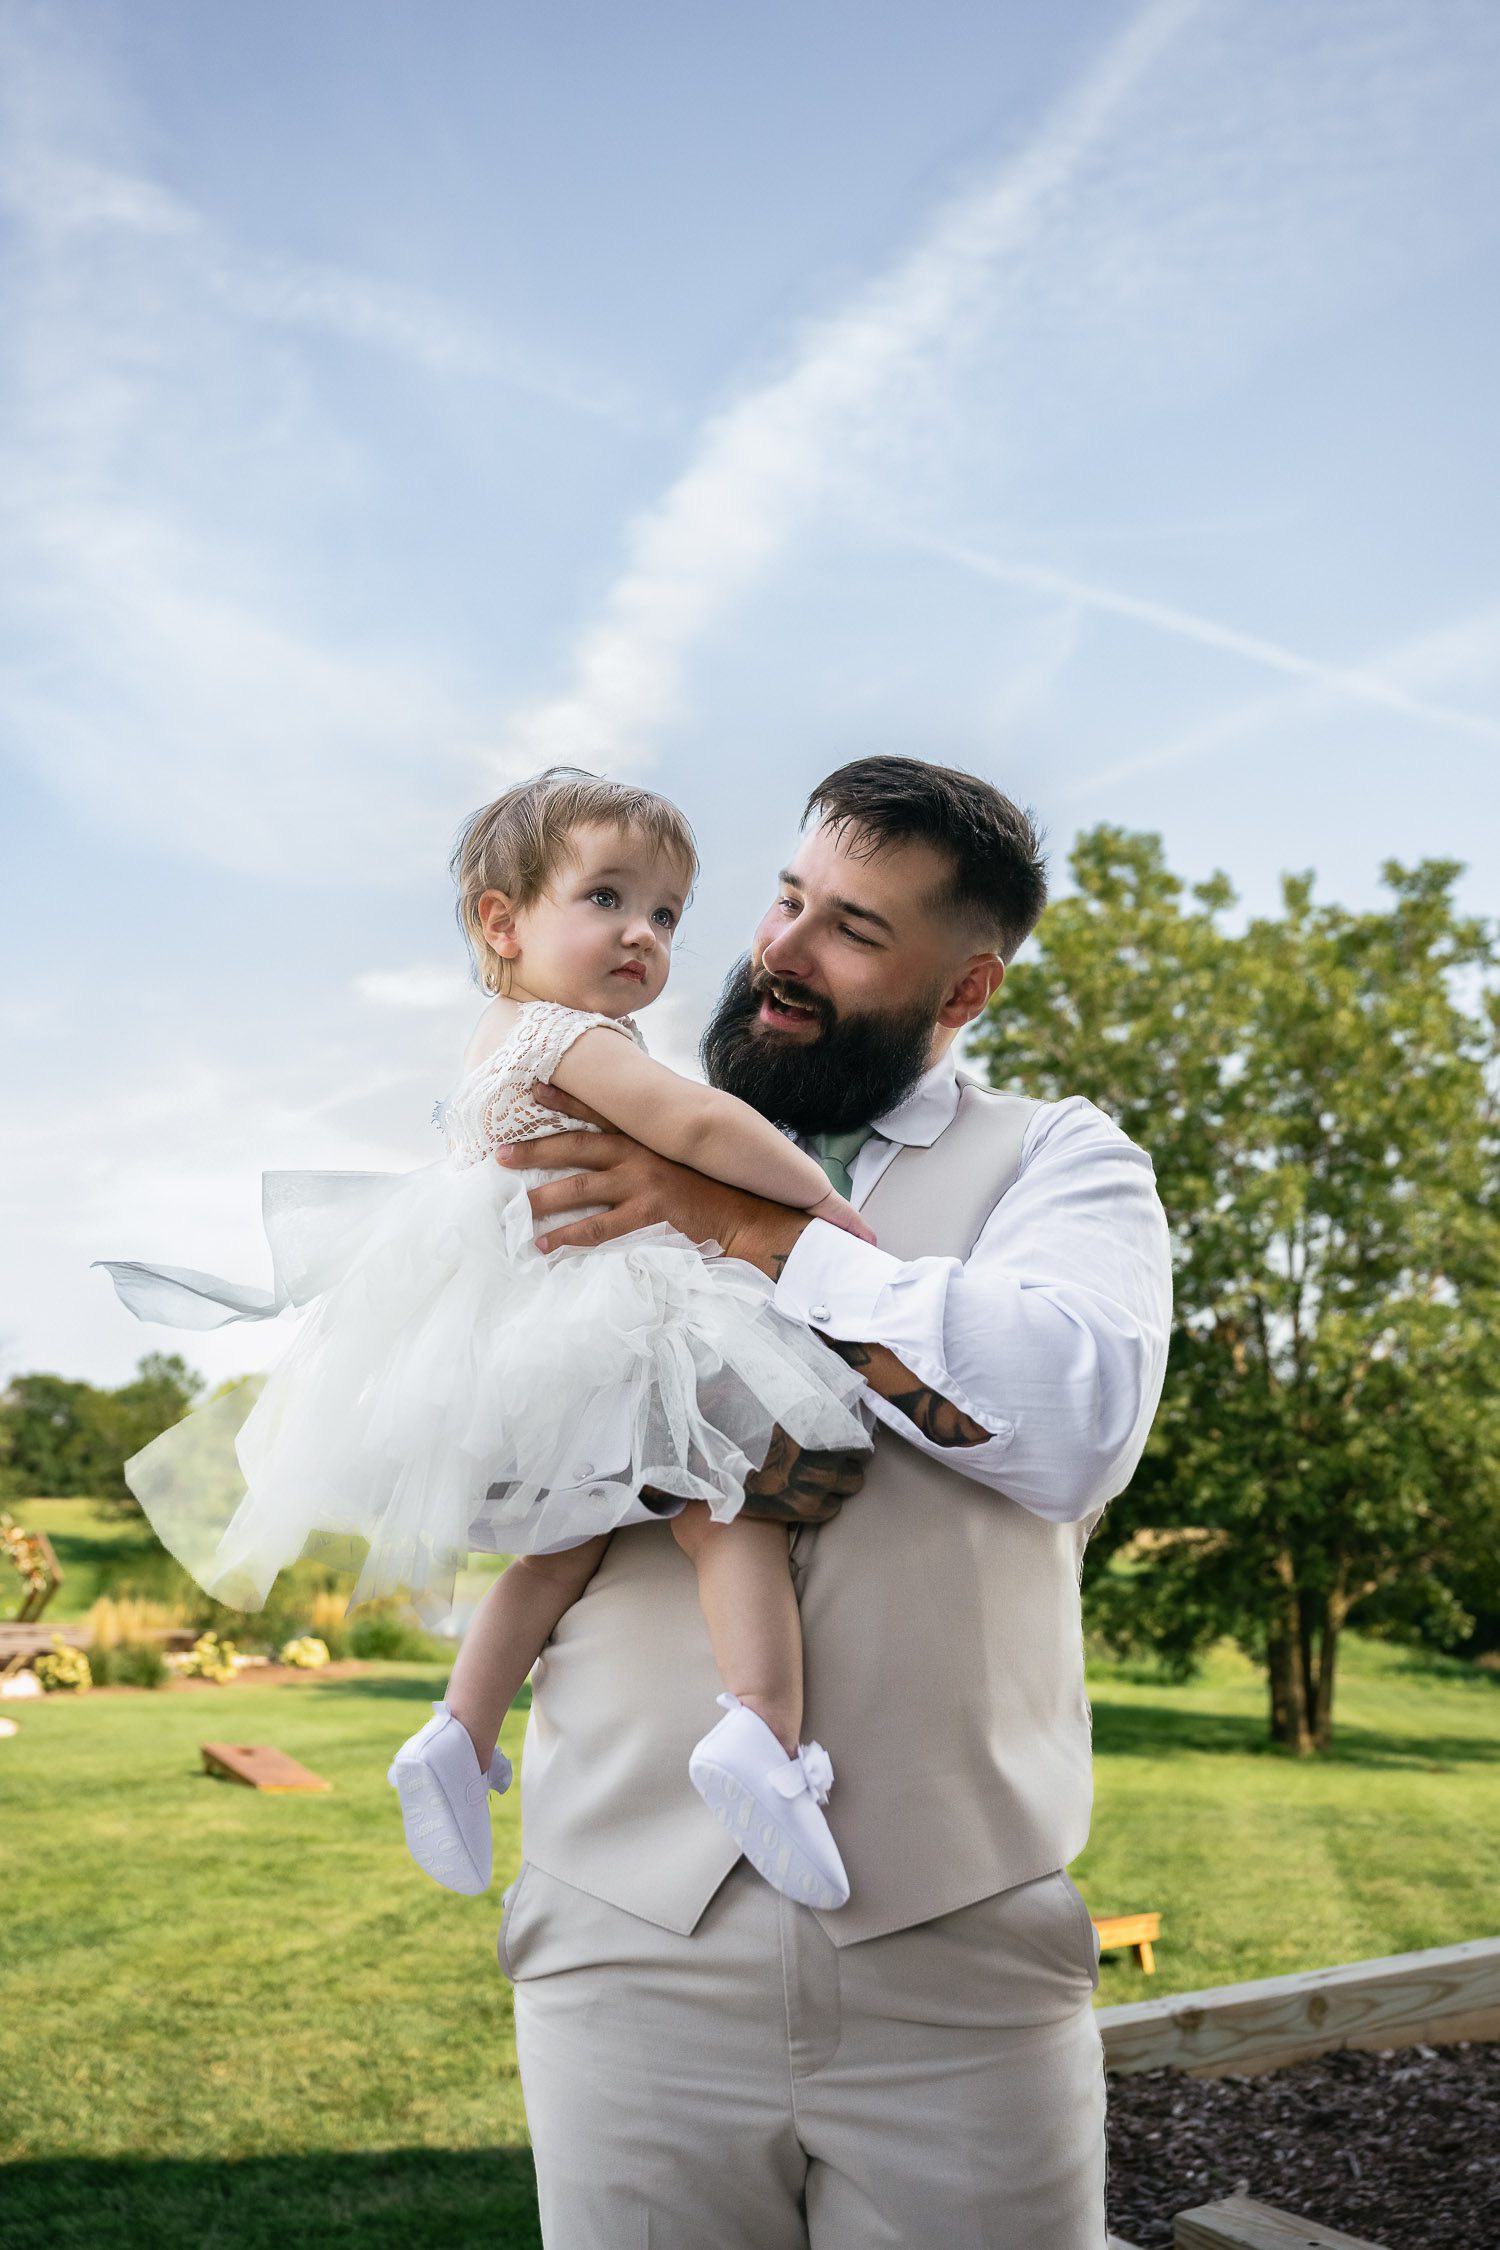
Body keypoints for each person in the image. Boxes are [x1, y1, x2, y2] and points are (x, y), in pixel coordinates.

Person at [492, 755, 1173, 2250]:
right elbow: (480, 1492)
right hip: (624, 1936)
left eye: (853, 929)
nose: (779, 950)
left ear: (967, 988)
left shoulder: (1060, 1160)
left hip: (960, 1957)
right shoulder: (603, 1124)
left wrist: (749, 1230)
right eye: (787, 900)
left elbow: (1067, 1421)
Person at [93, 769, 875, 1911]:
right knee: (728, 1511)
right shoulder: (571, 1038)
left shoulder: (501, 1036)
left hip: (523, 1350)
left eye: (664, 915)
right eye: (606, 898)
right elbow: (699, 1122)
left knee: (553, 1558)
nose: (641, 936)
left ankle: (458, 1732)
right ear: (502, 922)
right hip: (615, 1318)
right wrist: (825, 1210)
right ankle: (760, 1729)